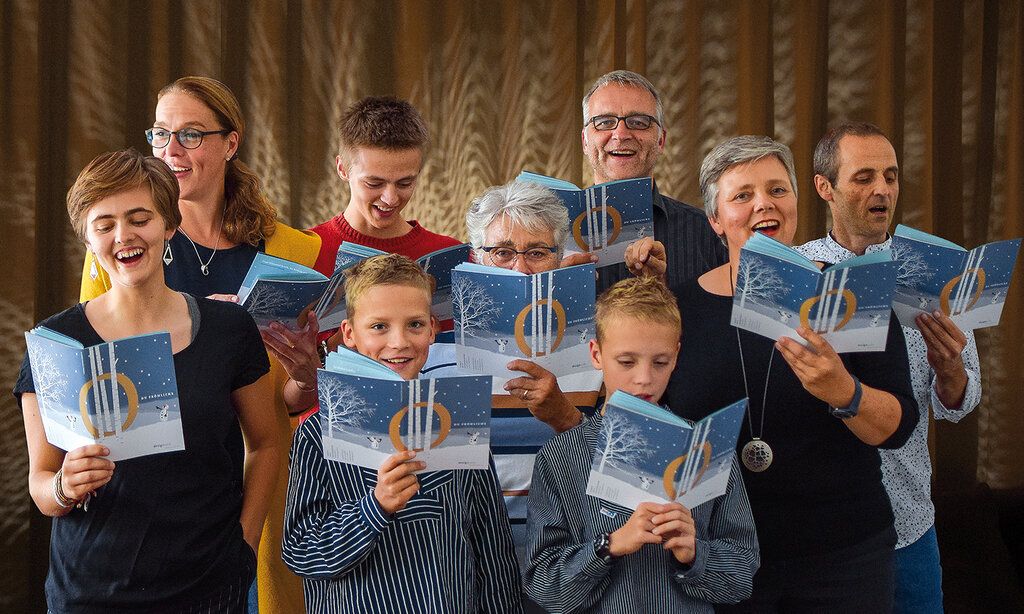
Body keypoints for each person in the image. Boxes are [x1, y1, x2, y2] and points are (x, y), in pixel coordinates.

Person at [78, 76, 320, 614]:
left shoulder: (293, 251)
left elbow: (290, 404)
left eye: (190, 135)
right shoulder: (124, 246)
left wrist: (306, 375)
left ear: (230, 144)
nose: (170, 151)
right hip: (152, 485)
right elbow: (97, 380)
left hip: (257, 480)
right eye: (160, 134)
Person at [663, 135, 919, 612]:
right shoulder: (676, 311)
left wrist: (845, 392)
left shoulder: (852, 294)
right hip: (721, 559)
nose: (765, 204)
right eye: (743, 195)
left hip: (845, 558)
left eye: (778, 190)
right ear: (715, 220)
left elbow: (898, 428)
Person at [15, 149, 277, 612]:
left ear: (169, 226)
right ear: (88, 239)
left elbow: (267, 443)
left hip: (211, 588)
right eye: (105, 225)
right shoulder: (56, 342)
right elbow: (41, 482)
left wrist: (246, 544)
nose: (124, 236)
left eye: (140, 218)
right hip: (90, 593)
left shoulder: (228, 329)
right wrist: (63, 487)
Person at [797, 121, 982, 613]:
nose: (882, 189)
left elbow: (962, 403)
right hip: (819, 532)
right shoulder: (795, 271)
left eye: (891, 176)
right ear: (824, 187)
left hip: (908, 525)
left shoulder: (935, 268)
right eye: (863, 177)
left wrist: (951, 374)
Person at [281, 254, 522, 613]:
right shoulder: (318, 431)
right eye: (379, 326)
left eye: (414, 325)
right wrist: (374, 508)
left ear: (432, 329)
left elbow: (491, 545)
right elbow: (301, 550)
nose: (399, 342)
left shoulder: (458, 419)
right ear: (349, 334)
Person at [524, 276, 758, 613]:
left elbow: (742, 577)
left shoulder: (707, 449)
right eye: (627, 362)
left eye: (659, 362)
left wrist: (695, 553)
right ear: (596, 354)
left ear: (676, 356)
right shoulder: (561, 457)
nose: (644, 378)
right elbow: (543, 589)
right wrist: (609, 546)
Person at [581, 70, 727, 291]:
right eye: (604, 122)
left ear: (661, 141)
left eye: (639, 122)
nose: (620, 134)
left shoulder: (709, 234)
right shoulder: (551, 236)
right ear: (584, 141)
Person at [308, 96, 461, 275]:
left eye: (405, 183)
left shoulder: (450, 258)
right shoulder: (305, 254)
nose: (390, 199)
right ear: (343, 169)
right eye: (374, 183)